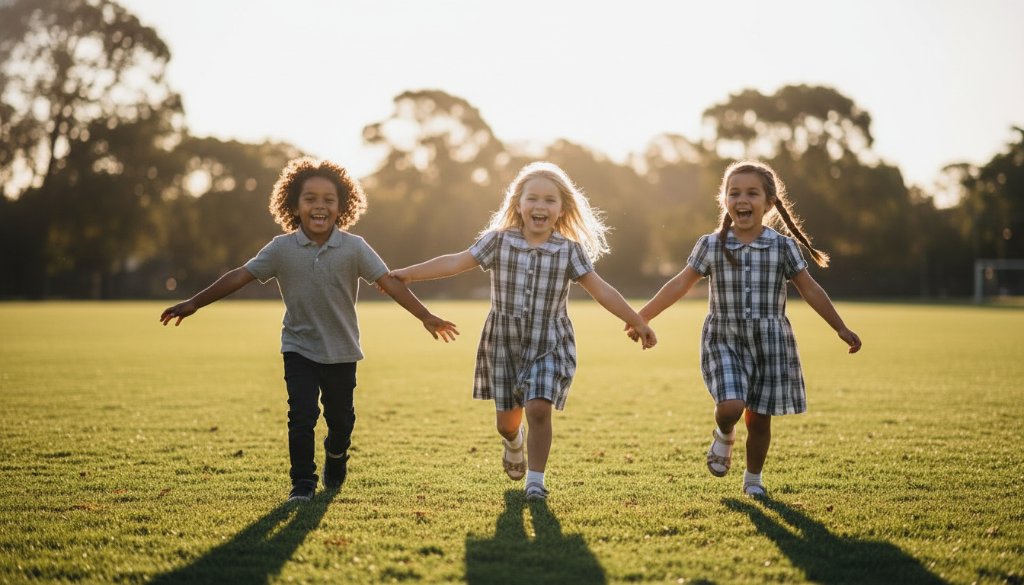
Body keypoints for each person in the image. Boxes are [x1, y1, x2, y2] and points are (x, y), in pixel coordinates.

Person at [160, 157, 458, 503]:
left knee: (341, 420)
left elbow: (389, 283)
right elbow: (240, 275)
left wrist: (424, 315)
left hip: (342, 350)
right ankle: (302, 482)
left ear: (342, 206)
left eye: (329, 199)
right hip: (298, 347)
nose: (320, 206)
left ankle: (336, 454)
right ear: (294, 205)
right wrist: (195, 302)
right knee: (301, 416)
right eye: (310, 199)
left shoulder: (355, 247)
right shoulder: (281, 248)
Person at [391, 161, 657, 501]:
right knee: (507, 423)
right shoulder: (498, 243)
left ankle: (536, 480)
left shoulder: (569, 251)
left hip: (550, 343)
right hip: (503, 344)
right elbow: (456, 261)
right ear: (518, 204)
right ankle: (513, 443)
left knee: (538, 408)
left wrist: (637, 320)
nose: (540, 206)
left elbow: (601, 289)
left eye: (549, 200)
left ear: (561, 209)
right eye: (533, 198)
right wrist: (411, 274)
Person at [626, 160, 861, 498]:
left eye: (752, 193)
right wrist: (642, 317)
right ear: (724, 201)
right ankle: (724, 435)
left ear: (769, 203)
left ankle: (753, 480)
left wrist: (839, 326)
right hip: (725, 339)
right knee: (732, 406)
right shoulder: (710, 245)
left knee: (760, 420)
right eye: (733, 193)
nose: (742, 199)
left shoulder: (783, 247)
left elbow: (810, 288)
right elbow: (680, 284)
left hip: (770, 342)